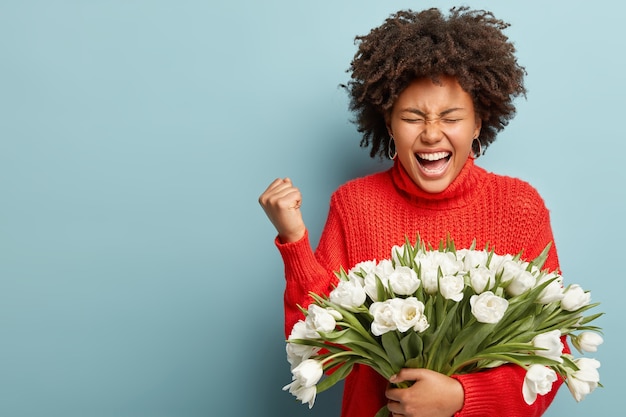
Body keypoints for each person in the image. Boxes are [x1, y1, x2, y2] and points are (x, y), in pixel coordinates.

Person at [259, 7, 567, 417]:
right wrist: (296, 242)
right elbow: (319, 351)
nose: (432, 133)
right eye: (412, 117)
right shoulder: (354, 205)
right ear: (388, 122)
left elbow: (550, 359)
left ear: (478, 122)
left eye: (451, 117)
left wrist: (461, 397)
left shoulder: (519, 206)